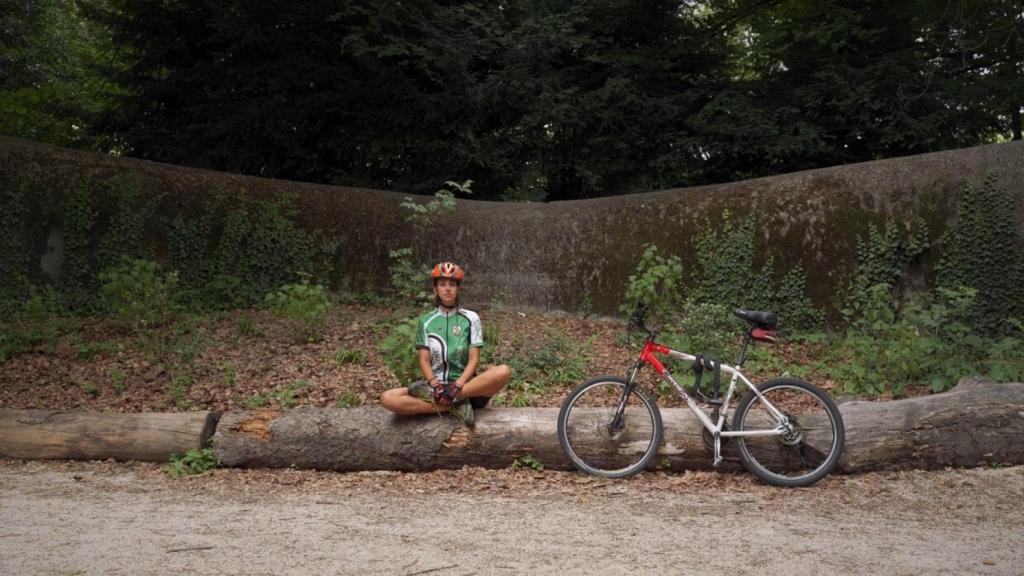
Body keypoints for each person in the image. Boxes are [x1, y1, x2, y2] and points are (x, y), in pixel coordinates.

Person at [379, 262, 511, 426]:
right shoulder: (426, 321)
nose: (447, 289)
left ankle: (458, 398)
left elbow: (474, 359)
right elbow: (424, 360)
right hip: (436, 389)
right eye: (442, 284)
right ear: (435, 290)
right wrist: (434, 384)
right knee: (387, 398)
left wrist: (457, 387)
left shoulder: (471, 318)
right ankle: (450, 407)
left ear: (458, 289)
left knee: (503, 371)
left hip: (467, 387)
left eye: (452, 284)